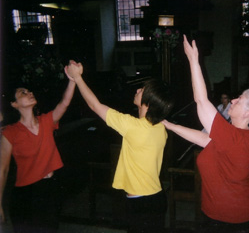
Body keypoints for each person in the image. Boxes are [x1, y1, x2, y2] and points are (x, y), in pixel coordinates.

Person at [162, 35, 249, 232]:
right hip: (220, 213)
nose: (233, 100)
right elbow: (204, 139)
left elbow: (201, 101)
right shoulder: (233, 134)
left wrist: (193, 59)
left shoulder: (236, 138)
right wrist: (170, 125)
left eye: (239, 100)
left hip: (232, 218)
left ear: (247, 113)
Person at [65, 60, 173, 233]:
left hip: (142, 203)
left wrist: (77, 77)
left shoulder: (134, 127)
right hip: (156, 198)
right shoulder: (160, 128)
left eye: (142, 90)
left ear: (149, 102)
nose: (137, 90)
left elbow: (95, 105)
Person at [0, 76, 76, 232]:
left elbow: (65, 103)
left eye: (29, 91)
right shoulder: (10, 132)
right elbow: (3, 170)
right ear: (14, 104)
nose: (29, 93)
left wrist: (73, 79)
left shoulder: (46, 121)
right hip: (25, 194)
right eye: (23, 93)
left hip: (50, 189)